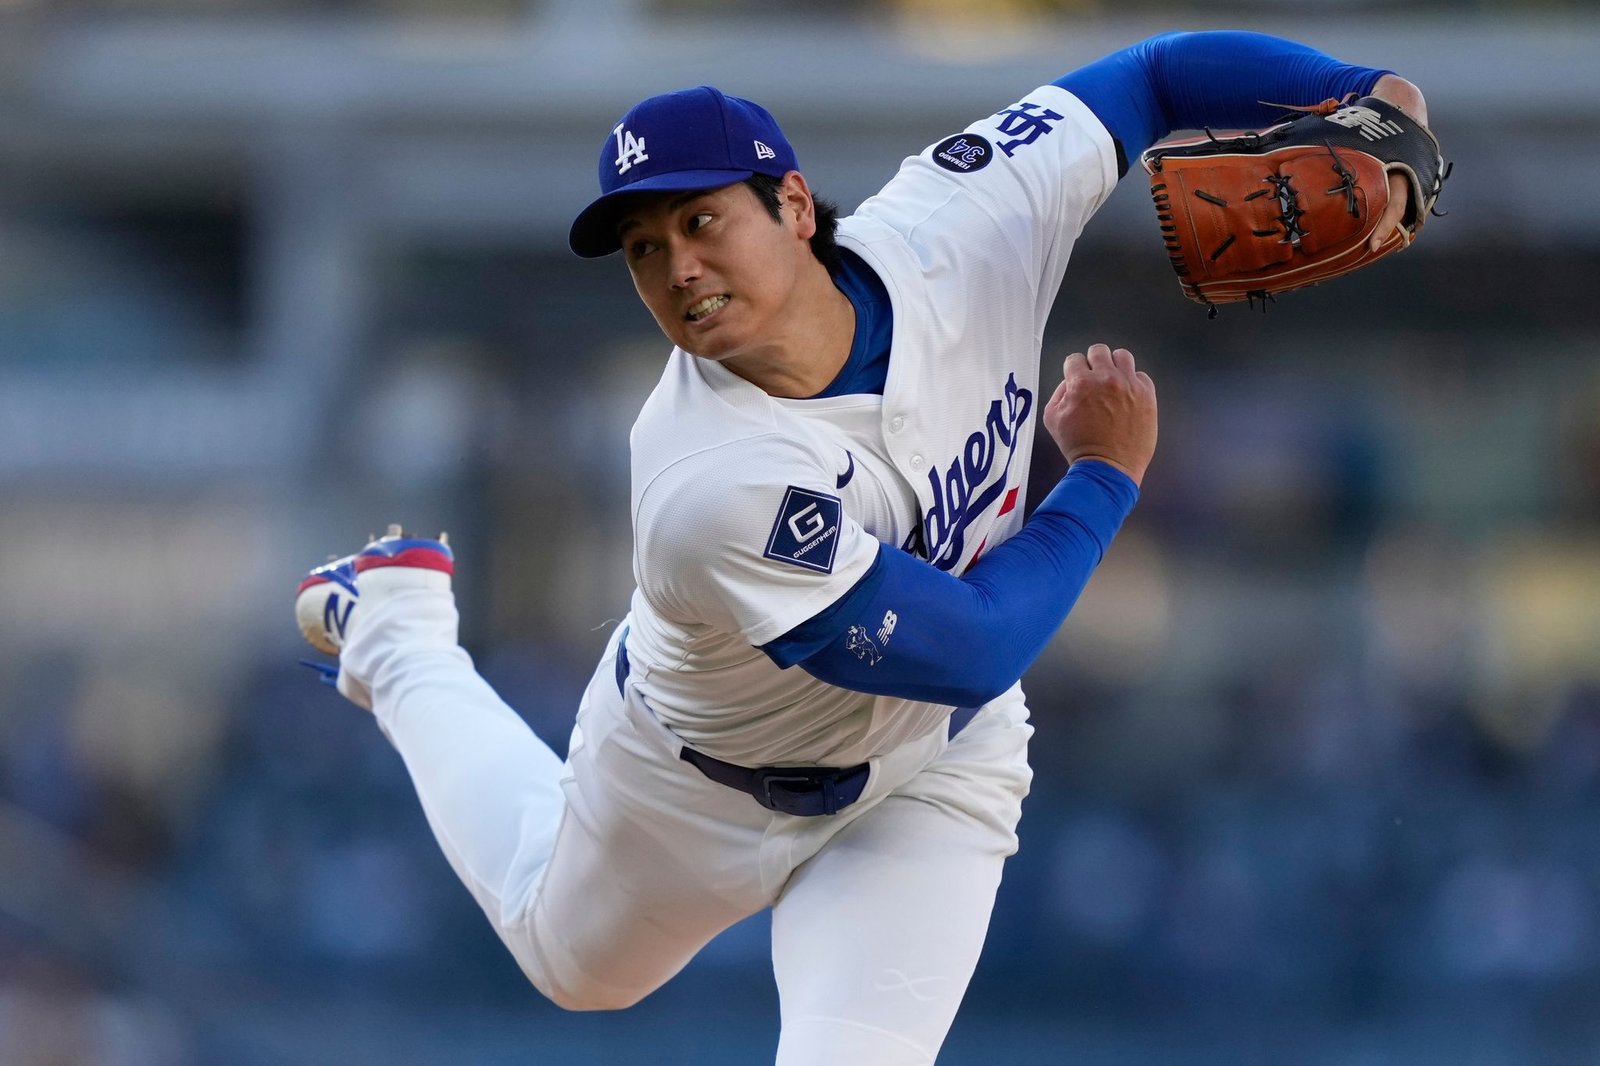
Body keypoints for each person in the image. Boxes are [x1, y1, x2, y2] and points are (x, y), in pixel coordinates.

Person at [295, 31, 1427, 1064]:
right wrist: (1101, 476)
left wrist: (1366, 93)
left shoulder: (966, 217)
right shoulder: (707, 480)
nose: (677, 268)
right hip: (691, 791)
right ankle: (400, 633)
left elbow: (1153, 76)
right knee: (573, 966)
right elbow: (974, 646)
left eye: (701, 222)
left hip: (923, 771)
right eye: (643, 249)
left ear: (793, 204)